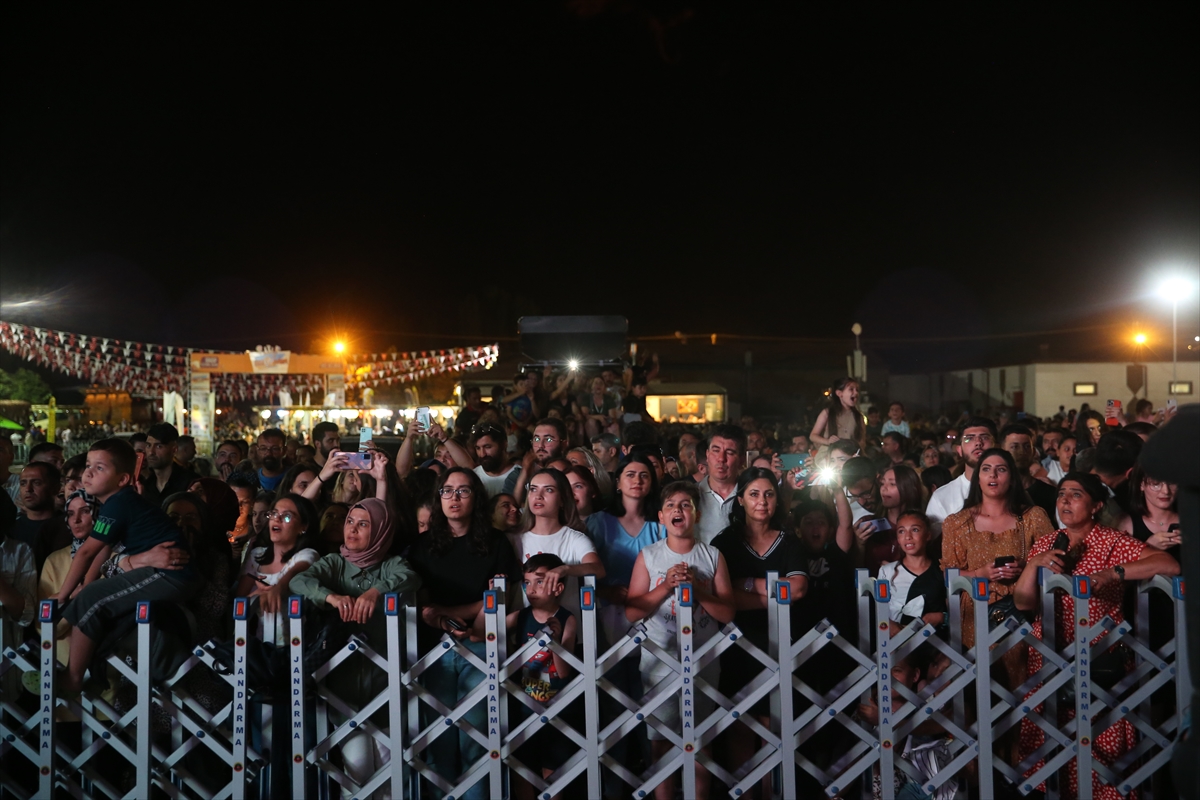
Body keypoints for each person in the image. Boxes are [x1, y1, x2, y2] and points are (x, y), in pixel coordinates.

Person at [1014, 473, 1180, 800]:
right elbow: (1023, 602)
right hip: (1048, 655)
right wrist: (1034, 565)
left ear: (1096, 505)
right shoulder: (1048, 542)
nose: (1065, 501)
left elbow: (1168, 564)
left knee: (1101, 755)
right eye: (1061, 494)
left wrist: (1112, 573)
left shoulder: (1112, 541)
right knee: (1051, 753)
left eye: (1075, 495)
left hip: (1098, 657)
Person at [289, 498, 420, 800]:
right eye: (350, 521)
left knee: (390, 772)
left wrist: (376, 592)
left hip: (386, 685)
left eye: (364, 524)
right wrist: (331, 598)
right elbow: (300, 581)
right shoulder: (334, 563)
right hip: (343, 689)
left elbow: (410, 578)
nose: (353, 530)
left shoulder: (393, 564)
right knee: (356, 771)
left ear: (381, 531)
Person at [51, 438, 199, 693]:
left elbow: (86, 552)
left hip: (170, 574)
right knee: (91, 596)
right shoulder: (116, 504)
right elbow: (103, 549)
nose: (88, 472)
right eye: (88, 465)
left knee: (92, 597)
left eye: (100, 468)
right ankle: (89, 671)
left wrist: (63, 596)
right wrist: (84, 586)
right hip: (160, 573)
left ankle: (73, 677)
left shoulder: (120, 503)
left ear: (122, 479)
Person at [406, 468, 518, 799]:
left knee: (477, 738)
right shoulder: (421, 545)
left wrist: (450, 613)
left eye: (463, 491)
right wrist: (442, 616)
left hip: (482, 644)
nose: (454, 498)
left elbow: (499, 596)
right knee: (438, 739)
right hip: (433, 647)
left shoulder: (496, 543)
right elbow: (422, 603)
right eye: (447, 491)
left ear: (476, 497)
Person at [625, 481, 734, 800]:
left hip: (704, 661)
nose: (678, 510)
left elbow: (727, 613)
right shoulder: (649, 556)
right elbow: (632, 611)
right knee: (661, 744)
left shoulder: (712, 556)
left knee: (701, 742)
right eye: (671, 505)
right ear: (661, 516)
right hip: (659, 662)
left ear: (696, 515)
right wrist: (665, 587)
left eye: (686, 505)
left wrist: (697, 589)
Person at [711, 467, 808, 783]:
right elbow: (723, 599)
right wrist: (773, 591)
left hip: (779, 640)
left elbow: (798, 590)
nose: (762, 501)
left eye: (769, 494)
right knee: (739, 723)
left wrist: (748, 585)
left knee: (771, 727)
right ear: (740, 499)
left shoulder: (790, 542)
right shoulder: (724, 542)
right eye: (753, 494)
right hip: (735, 642)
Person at [940, 448, 1054, 691]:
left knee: (1025, 688)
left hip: (1024, 613)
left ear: (1011, 477)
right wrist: (981, 574)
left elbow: (1052, 563)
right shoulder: (956, 523)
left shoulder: (1033, 517)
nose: (993, 476)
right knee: (982, 691)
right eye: (986, 469)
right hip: (976, 617)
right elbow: (949, 575)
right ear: (977, 478)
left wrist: (1025, 566)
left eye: (1001, 470)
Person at [478, 553, 579, 800]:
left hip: (557, 708)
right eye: (527, 582)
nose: (531, 589)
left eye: (540, 581)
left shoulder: (568, 619)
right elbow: (480, 632)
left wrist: (554, 642)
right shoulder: (521, 616)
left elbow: (564, 671)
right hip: (523, 706)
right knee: (521, 767)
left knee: (552, 769)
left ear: (559, 587)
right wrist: (490, 600)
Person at [508, 468, 605, 617]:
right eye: (533, 489)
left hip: (568, 630)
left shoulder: (575, 539)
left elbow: (598, 569)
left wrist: (565, 569)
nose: (538, 496)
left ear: (562, 499)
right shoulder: (514, 539)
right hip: (522, 629)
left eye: (548, 490)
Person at [589, 453, 662, 643]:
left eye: (644, 475)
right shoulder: (599, 522)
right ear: (618, 483)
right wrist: (605, 592)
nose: (637, 480)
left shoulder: (661, 524)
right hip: (608, 609)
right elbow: (585, 572)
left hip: (653, 610)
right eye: (630, 475)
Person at [236, 493, 320, 644]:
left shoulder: (307, 555)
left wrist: (279, 587)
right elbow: (239, 601)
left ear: (303, 527)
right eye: (274, 513)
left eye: (287, 516)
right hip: (262, 644)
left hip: (299, 646)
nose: (277, 519)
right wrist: (256, 594)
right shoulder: (256, 555)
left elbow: (296, 572)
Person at [926, 416, 997, 535]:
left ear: (996, 446)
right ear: (959, 450)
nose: (978, 443)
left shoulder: (1012, 490)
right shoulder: (942, 497)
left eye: (984, 437)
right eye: (969, 439)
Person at [875, 511, 946, 627]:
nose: (908, 537)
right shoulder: (887, 571)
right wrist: (888, 625)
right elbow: (878, 610)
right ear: (898, 538)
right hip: (894, 641)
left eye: (915, 530)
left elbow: (954, 611)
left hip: (935, 641)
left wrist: (942, 617)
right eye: (901, 531)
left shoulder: (941, 570)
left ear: (928, 535)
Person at [852, 464, 924, 576]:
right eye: (882, 483)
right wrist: (859, 544)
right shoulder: (868, 524)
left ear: (908, 488)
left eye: (892, 484)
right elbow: (856, 569)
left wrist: (897, 571)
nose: (884, 488)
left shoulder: (921, 526)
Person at [14, 462, 72, 571]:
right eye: (23, 483)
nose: (28, 489)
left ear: (55, 488)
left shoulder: (69, 526)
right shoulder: (11, 530)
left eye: (36, 483)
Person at [695, 425, 746, 545]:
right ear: (707, 455)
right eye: (716, 450)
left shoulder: (751, 496)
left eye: (729, 452)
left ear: (742, 460)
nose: (721, 458)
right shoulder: (690, 495)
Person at [1000, 423, 1058, 521]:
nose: (1022, 452)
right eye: (1014, 447)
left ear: (1033, 451)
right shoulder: (996, 493)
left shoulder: (1049, 493)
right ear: (1002, 450)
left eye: (1027, 446)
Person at [141, 422, 199, 507]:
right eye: (148, 445)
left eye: (159, 446)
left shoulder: (190, 483)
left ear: (174, 450)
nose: (151, 452)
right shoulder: (146, 485)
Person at [809, 378, 864, 450]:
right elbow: (813, 436)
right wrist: (828, 441)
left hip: (850, 455)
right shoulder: (827, 413)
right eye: (851, 389)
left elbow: (862, 441)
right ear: (839, 393)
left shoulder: (858, 417)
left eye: (857, 390)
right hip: (828, 454)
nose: (856, 393)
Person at [471, 425, 521, 498]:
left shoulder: (521, 475)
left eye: (487, 447)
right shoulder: (473, 477)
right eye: (478, 448)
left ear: (504, 445)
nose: (482, 454)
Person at [563, 464, 603, 531]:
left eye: (578, 486)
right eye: (566, 487)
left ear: (592, 491)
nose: (570, 492)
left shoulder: (606, 524)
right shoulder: (554, 526)